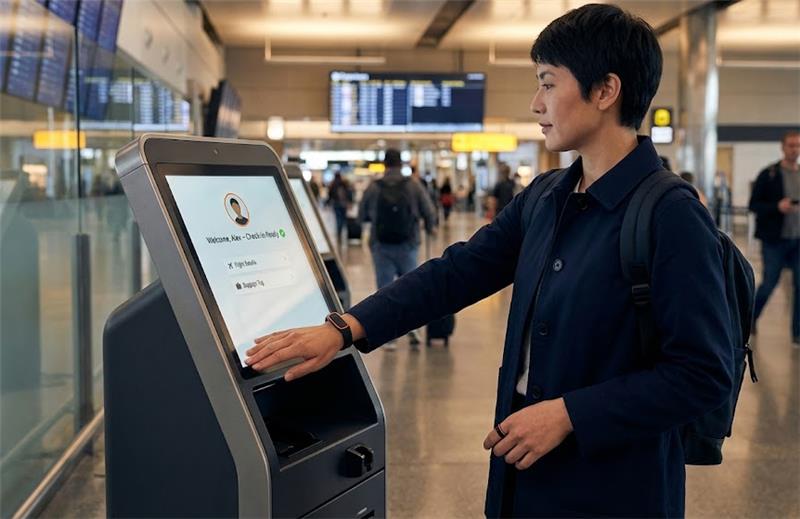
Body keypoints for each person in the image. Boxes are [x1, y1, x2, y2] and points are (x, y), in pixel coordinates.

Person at [245, 4, 733, 517]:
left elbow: (703, 373)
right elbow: (457, 273)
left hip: (616, 488)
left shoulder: (671, 215)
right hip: (522, 475)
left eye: (548, 84)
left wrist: (571, 414)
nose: (535, 103)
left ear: (605, 91)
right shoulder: (547, 196)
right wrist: (346, 328)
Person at [358, 149, 436, 350]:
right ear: (401, 164)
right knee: (410, 287)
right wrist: (429, 226)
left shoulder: (374, 187)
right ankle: (414, 329)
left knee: (384, 291)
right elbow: (428, 210)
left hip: (381, 245)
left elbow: (361, 214)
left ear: (384, 164)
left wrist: (372, 220)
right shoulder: (413, 185)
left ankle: (389, 338)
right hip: (408, 244)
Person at [749, 130, 800, 345]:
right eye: (791, 145)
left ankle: (797, 333)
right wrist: (777, 207)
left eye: (798, 145)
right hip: (774, 241)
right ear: (782, 147)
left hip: (798, 240)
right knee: (769, 283)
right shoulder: (769, 174)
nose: (794, 149)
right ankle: (750, 318)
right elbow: (754, 205)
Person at [327, 172, 352, 244]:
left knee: (338, 219)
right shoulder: (344, 184)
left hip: (336, 204)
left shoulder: (333, 184)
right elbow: (348, 193)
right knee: (344, 218)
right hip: (343, 204)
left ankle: (339, 234)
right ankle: (345, 234)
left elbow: (330, 195)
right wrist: (349, 202)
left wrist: (328, 203)